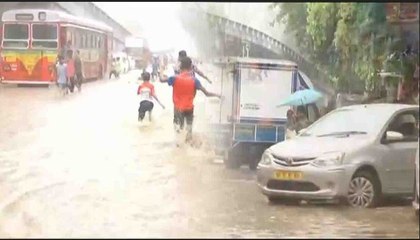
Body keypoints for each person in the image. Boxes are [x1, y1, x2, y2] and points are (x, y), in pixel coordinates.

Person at [160, 57, 221, 146]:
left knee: (179, 131)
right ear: (190, 67)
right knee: (189, 132)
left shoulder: (174, 78)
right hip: (189, 109)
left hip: (178, 109)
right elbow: (207, 94)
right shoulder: (194, 80)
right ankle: (189, 147)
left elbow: (161, 80)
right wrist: (218, 95)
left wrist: (161, 69)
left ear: (180, 66)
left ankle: (179, 150)